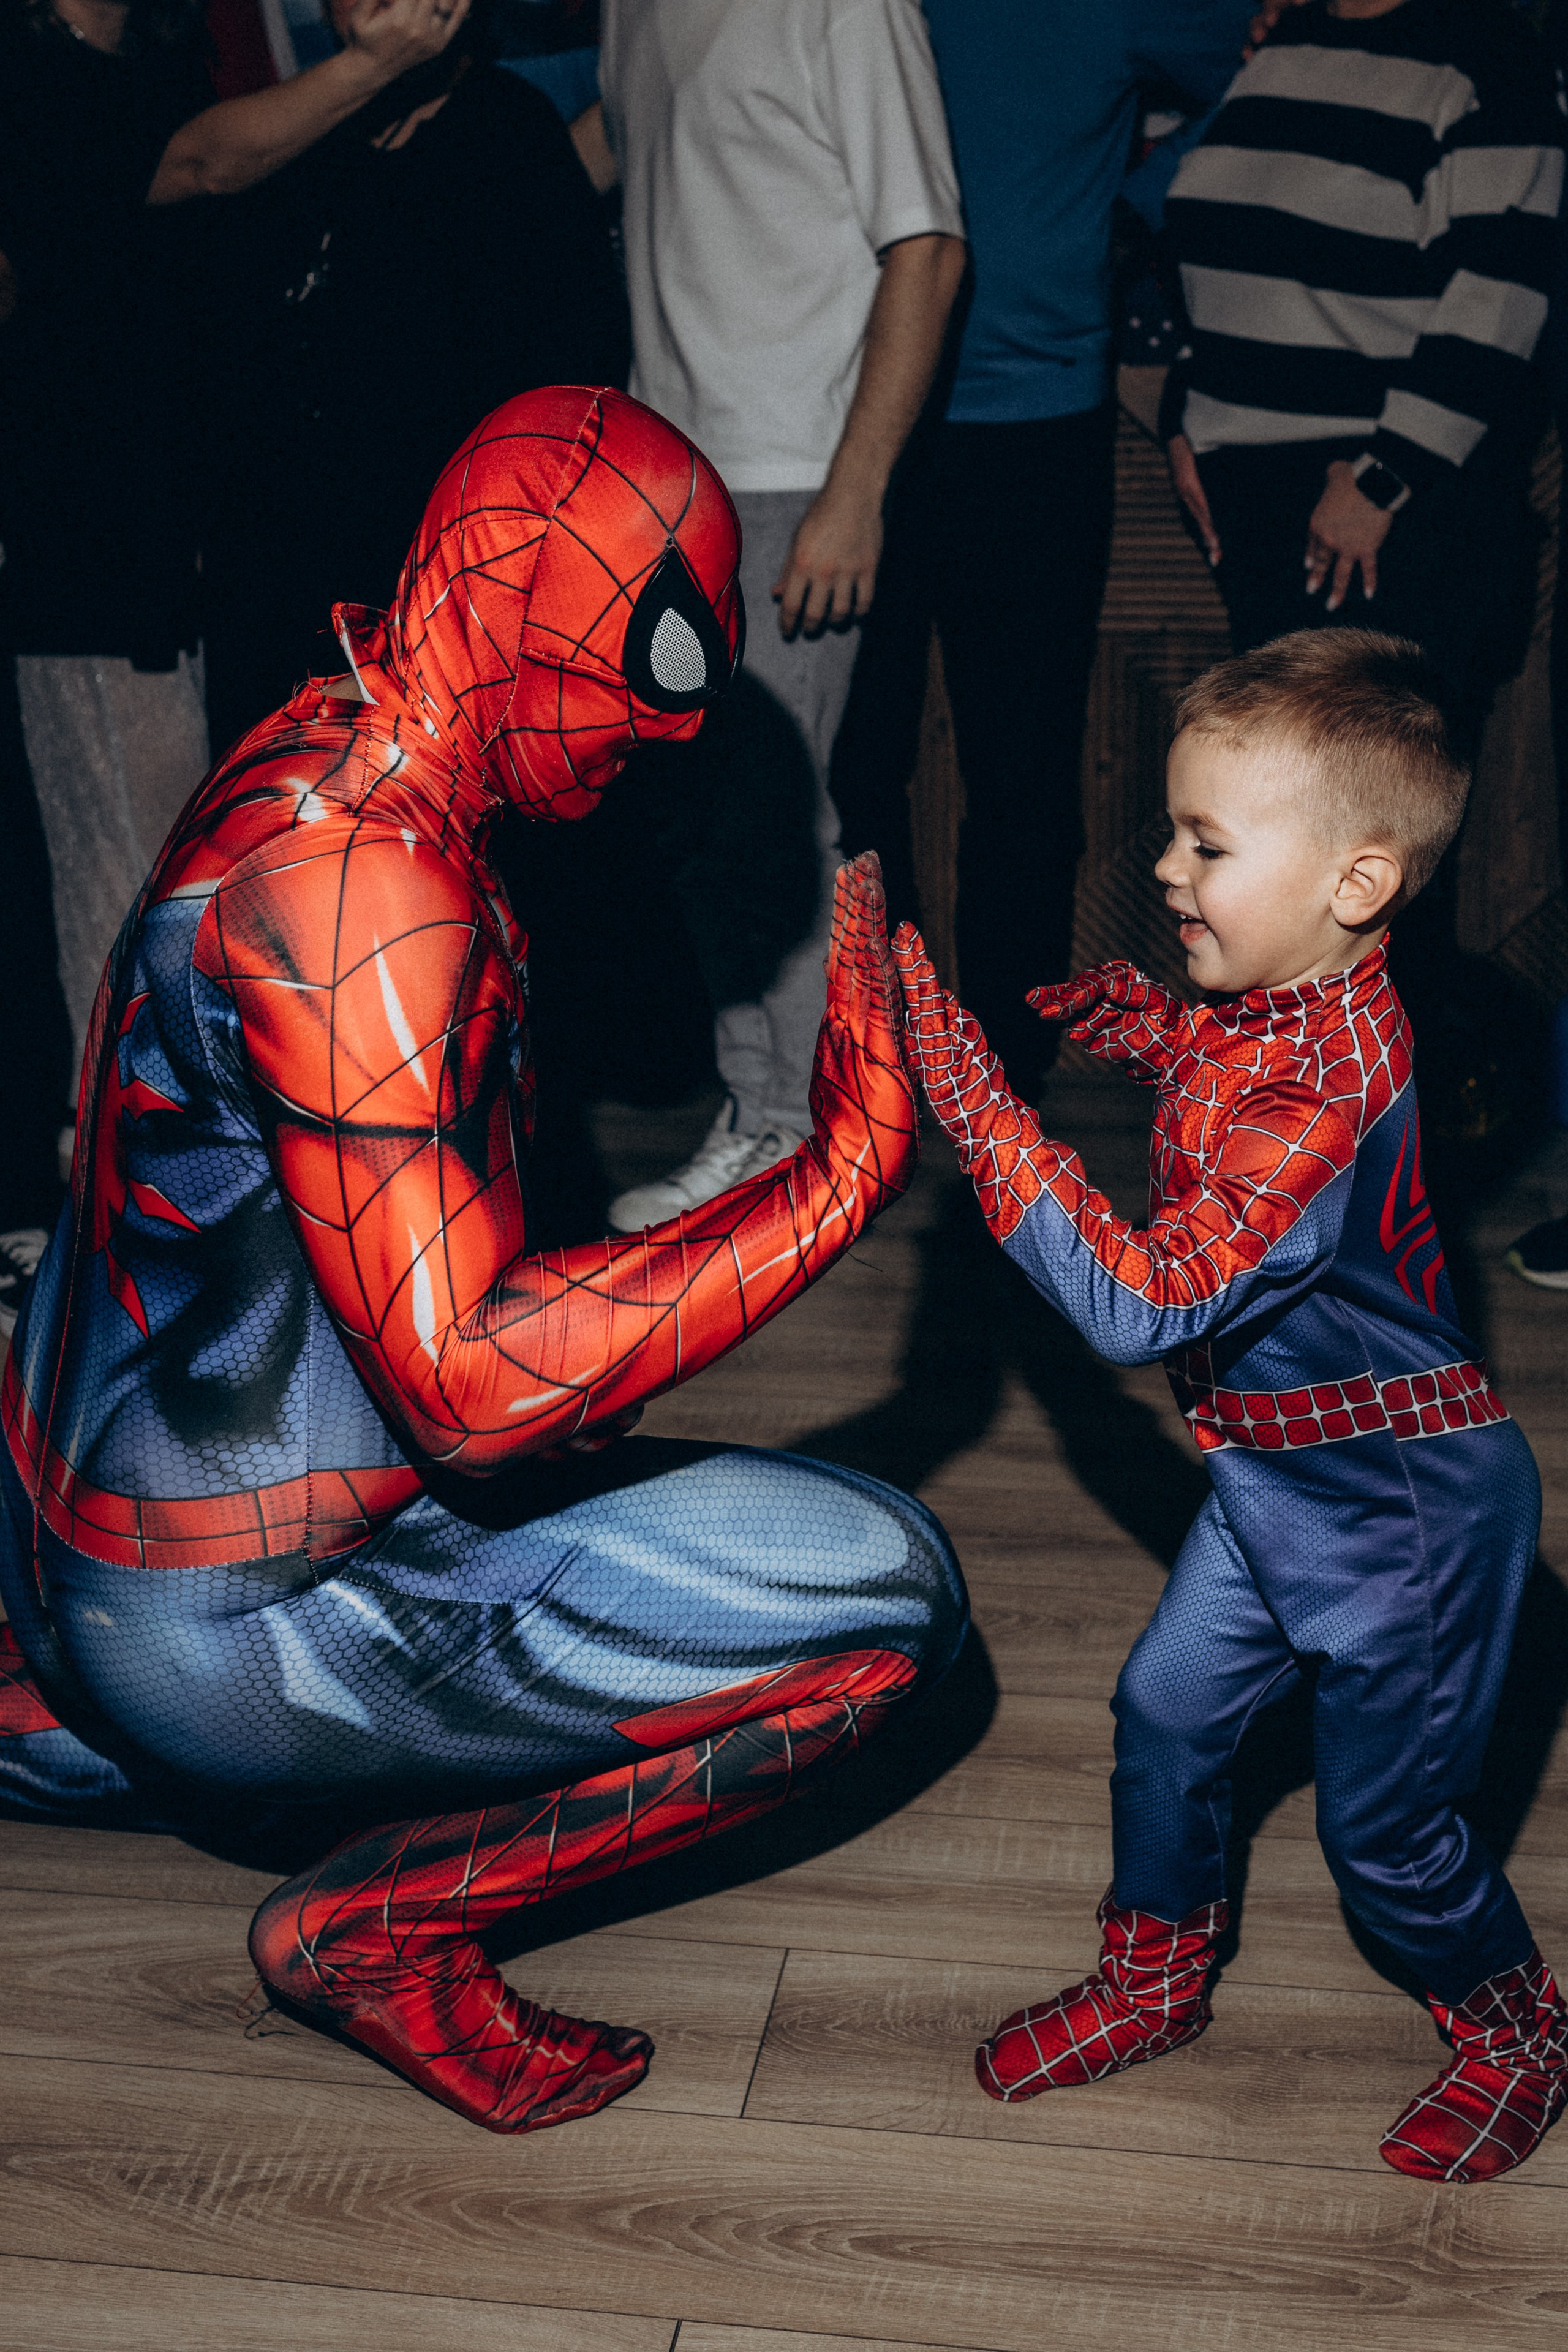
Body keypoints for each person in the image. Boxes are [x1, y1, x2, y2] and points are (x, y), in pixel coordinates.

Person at [0, 387, 966, 2133]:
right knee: (890, 1599)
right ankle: (384, 1928)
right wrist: (835, 1181)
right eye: (643, 664)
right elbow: (472, 1392)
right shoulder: (370, 894)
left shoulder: (317, 740)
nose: (663, 729)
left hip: (82, 1565)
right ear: (510, 585)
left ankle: (102, 1715)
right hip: (221, 1624)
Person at [894, 630, 1566, 2185]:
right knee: (1165, 1714)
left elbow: (1139, 1306)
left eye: (1205, 843)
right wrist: (1136, 1019)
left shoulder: (1316, 1093)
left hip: (1400, 1521)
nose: (1164, 865)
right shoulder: (1294, 1001)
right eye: (1172, 833)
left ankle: (1519, 2030)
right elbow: (1222, 1058)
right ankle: (1155, 1981)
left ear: (1356, 883)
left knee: (1385, 1841)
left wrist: (978, 1102)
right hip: (1272, 1484)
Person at [826, 0, 1259, 1106]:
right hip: (851, 414)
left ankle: (1001, 1075)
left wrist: (1134, 205)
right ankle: (881, 1054)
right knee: (855, 764)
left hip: (1038, 422)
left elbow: (1270, 73)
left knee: (1020, 772)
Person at [578, 0, 967, 1231]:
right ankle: (768, 1115)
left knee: (776, 827)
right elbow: (615, 164)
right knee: (704, 826)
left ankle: (803, 1140)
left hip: (791, 473)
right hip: (666, 481)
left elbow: (929, 250)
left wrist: (855, 492)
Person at [181, 0, 629, 755]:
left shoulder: (508, 132)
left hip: (425, 595)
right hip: (276, 593)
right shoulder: (297, 133)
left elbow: (567, 378)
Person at [1161, 0, 1563, 755]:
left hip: (1384, 508)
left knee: (1370, 801)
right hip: (1252, 504)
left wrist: (1385, 479)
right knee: (1287, 795)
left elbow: (1499, 295)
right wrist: (1181, 413)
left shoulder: (1487, 56)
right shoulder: (1284, 36)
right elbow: (1220, 243)